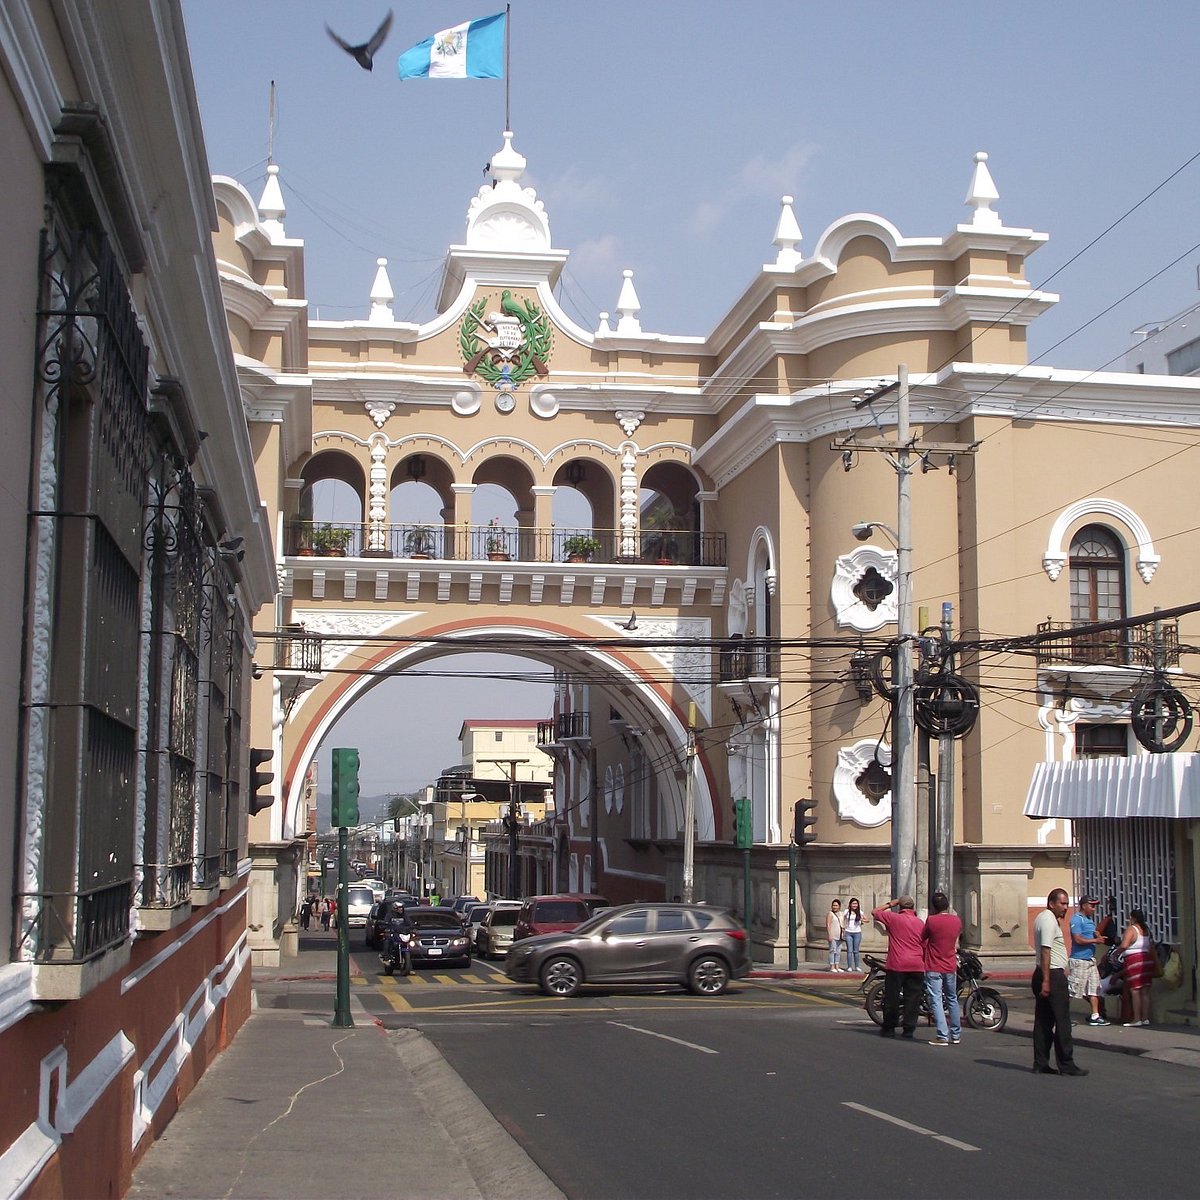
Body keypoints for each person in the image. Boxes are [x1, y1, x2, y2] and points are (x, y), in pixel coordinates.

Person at [1032, 887, 1087, 1075]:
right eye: (1062, 904)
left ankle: (1041, 1063)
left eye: (1067, 904)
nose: (1065, 908)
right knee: (1062, 1021)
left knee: (1043, 1021)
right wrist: (1046, 980)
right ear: (1051, 903)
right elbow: (1046, 950)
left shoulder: (1043, 918)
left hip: (1045, 973)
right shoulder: (1048, 920)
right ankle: (1066, 1064)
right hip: (1052, 975)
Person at [871, 896, 925, 1038]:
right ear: (913, 907)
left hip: (897, 964)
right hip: (916, 964)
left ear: (900, 907)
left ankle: (889, 1028)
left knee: (892, 997)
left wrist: (890, 904)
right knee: (913, 998)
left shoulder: (893, 918)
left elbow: (875, 912)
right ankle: (909, 1029)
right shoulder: (920, 923)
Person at [922, 892, 962, 1046]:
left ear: (934, 907)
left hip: (934, 964)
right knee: (952, 998)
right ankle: (956, 1034)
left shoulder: (932, 920)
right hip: (950, 964)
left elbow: (923, 937)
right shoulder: (956, 920)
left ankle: (942, 1035)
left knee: (936, 999)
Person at [1068, 895, 1109, 1026]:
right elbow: (1078, 939)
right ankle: (1062, 1016)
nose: (1094, 909)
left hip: (1090, 960)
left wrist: (1097, 934)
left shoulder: (1089, 920)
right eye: (1092, 906)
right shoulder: (1077, 919)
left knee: (1094, 988)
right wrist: (1095, 940)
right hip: (1079, 960)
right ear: (1084, 905)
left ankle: (1095, 1015)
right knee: (1073, 989)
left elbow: (1093, 932)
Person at [1117, 908, 1154, 1027]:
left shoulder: (1131, 929)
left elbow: (1124, 945)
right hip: (1147, 960)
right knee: (1145, 991)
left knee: (1135, 990)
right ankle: (1145, 1018)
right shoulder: (1146, 930)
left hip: (1134, 961)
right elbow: (1151, 945)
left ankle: (1137, 1019)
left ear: (1133, 918)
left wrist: (1116, 953)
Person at [843, 898, 864, 972]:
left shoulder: (860, 912)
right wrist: (843, 928)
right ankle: (849, 966)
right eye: (853, 904)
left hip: (857, 932)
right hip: (848, 932)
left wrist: (862, 920)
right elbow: (843, 919)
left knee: (856, 951)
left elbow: (866, 919)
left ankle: (857, 966)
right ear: (850, 904)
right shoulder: (846, 911)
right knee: (849, 950)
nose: (855, 905)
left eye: (856, 904)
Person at [826, 899, 846, 972]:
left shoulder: (841, 914)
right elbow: (828, 924)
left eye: (836, 905)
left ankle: (837, 966)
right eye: (833, 905)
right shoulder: (830, 913)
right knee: (832, 951)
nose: (834, 907)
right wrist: (829, 934)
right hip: (833, 935)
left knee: (838, 951)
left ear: (839, 906)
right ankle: (832, 966)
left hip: (840, 935)